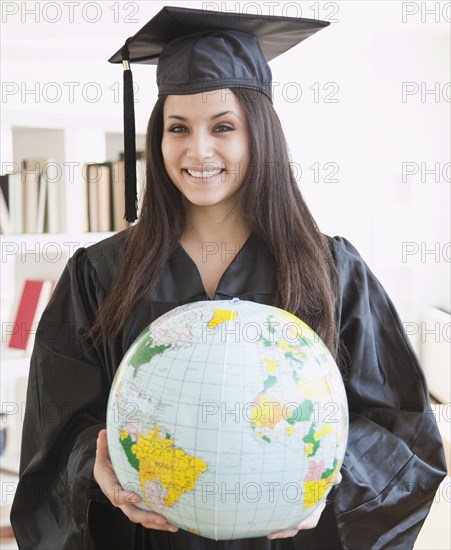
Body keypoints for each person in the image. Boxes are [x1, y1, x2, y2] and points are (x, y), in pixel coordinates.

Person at [10, 6, 446, 550]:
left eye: (223, 127)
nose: (198, 150)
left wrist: (326, 473)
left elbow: (399, 429)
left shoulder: (329, 270)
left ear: (259, 136)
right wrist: (92, 468)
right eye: (177, 128)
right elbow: (58, 430)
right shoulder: (101, 274)